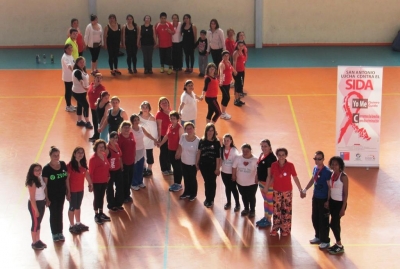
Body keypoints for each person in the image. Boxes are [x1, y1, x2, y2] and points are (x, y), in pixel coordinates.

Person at [267, 148, 304, 237]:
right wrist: (267, 187)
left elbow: (295, 177)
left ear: (286, 155)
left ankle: (285, 229)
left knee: (286, 210)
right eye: (279, 155)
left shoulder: (290, 165)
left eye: (283, 155)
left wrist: (300, 189)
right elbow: (272, 177)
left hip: (287, 192)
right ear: (277, 156)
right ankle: (275, 228)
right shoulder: (274, 165)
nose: (281, 157)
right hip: (276, 191)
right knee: (276, 210)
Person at [302, 151, 332, 249]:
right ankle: (318, 236)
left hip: (323, 199)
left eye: (320, 159)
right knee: (315, 217)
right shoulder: (315, 168)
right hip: (316, 197)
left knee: (323, 220)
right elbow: (313, 180)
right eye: (316, 159)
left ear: (323, 159)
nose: (317, 161)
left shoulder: (327, 172)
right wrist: (305, 189)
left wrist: (328, 201)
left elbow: (330, 187)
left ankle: (325, 240)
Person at [42, 146, 68, 242]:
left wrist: (68, 191)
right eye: (54, 155)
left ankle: (60, 232)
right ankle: (54, 233)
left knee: (60, 212)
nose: (56, 157)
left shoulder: (63, 164)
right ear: (50, 156)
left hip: (61, 194)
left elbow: (66, 179)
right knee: (53, 213)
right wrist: (47, 198)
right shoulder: (46, 169)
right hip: (52, 195)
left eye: (58, 155)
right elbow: (45, 185)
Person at [325, 156, 349, 255]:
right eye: (333, 164)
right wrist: (327, 201)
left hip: (339, 203)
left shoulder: (343, 177)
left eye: (336, 164)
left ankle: (339, 245)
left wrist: (343, 208)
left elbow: (346, 193)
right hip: (332, 202)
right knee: (334, 223)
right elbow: (330, 189)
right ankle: (338, 244)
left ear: (340, 166)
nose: (334, 166)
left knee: (334, 224)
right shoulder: (332, 175)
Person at [66, 147, 92, 234]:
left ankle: (78, 223)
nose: (80, 154)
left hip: (80, 190)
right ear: (74, 154)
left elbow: (86, 174)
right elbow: (67, 179)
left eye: (82, 153)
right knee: (72, 207)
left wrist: (90, 183)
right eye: (78, 152)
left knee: (78, 206)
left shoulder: (83, 164)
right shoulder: (70, 165)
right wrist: (68, 191)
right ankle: (72, 225)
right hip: (72, 190)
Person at [158, 111, 184, 192]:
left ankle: (178, 184)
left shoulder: (180, 128)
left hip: (176, 151)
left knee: (177, 168)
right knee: (174, 167)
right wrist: (161, 143)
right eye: (171, 118)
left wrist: (178, 152)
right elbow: (166, 136)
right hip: (170, 150)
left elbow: (181, 141)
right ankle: (176, 183)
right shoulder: (170, 126)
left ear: (178, 119)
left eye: (174, 119)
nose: (172, 120)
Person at [196, 123, 221, 208]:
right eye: (209, 130)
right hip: (203, 165)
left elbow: (218, 157)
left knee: (212, 182)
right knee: (207, 182)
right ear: (206, 131)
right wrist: (197, 163)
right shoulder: (202, 141)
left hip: (213, 166)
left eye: (212, 130)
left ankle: (211, 199)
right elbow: (199, 152)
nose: (210, 132)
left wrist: (217, 168)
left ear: (214, 132)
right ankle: (207, 198)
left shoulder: (217, 143)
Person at [130, 114, 157, 190]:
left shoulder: (141, 128)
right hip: (134, 151)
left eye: (137, 120)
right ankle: (134, 183)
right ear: (132, 121)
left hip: (142, 150)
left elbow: (148, 134)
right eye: (135, 120)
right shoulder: (130, 129)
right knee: (134, 168)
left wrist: (154, 139)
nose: (136, 121)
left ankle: (140, 182)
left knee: (141, 167)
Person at [255, 139, 277, 228]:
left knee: (270, 202)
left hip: (268, 184)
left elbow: (270, 175)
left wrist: (267, 187)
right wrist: (256, 177)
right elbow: (258, 167)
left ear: (270, 147)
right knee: (266, 201)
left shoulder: (271, 158)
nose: (263, 148)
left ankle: (268, 220)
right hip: (262, 182)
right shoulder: (262, 155)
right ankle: (265, 217)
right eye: (262, 146)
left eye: (265, 146)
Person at [232, 144, 258, 218]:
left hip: (252, 183)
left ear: (250, 151)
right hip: (240, 182)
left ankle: (252, 210)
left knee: (251, 196)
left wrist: (257, 178)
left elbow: (258, 170)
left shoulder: (255, 159)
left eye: (247, 151)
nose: (245, 152)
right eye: (243, 151)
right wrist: (233, 175)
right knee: (243, 195)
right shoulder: (238, 158)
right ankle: (246, 208)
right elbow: (234, 167)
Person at [89, 139, 111, 225]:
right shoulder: (93, 159)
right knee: (97, 197)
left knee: (101, 197)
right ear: (96, 148)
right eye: (99, 147)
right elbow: (90, 172)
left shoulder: (104, 155)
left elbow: (107, 166)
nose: (102, 148)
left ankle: (101, 213)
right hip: (96, 182)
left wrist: (108, 175)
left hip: (104, 180)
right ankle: (96, 214)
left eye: (103, 147)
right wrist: (90, 184)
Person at [176, 122, 200, 201]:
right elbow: (180, 146)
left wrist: (197, 163)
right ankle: (187, 192)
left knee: (192, 179)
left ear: (194, 129)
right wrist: (178, 154)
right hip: (183, 162)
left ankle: (193, 194)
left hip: (192, 164)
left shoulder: (198, 140)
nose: (189, 130)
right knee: (186, 178)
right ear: (185, 129)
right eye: (187, 128)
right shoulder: (183, 136)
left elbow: (198, 153)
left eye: (191, 128)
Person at [26, 163, 47, 250]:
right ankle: (34, 242)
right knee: (35, 224)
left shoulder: (40, 178)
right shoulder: (32, 182)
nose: (38, 172)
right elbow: (32, 198)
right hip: (35, 204)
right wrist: (36, 210)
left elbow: (43, 189)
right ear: (32, 171)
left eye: (39, 170)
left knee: (38, 223)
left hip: (42, 202)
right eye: (36, 170)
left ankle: (38, 240)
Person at [220, 134, 240, 211]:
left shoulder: (234, 151)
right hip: (224, 172)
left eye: (228, 140)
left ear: (231, 141)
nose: (226, 142)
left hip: (232, 173)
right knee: (227, 188)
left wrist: (234, 175)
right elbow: (221, 160)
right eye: (224, 140)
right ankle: (228, 202)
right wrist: (218, 169)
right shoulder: (221, 149)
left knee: (233, 188)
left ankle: (237, 204)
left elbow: (236, 163)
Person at [72, 57, 93, 129]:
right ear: (77, 63)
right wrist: (85, 87)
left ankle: (79, 121)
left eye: (83, 62)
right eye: (80, 62)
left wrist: (89, 85)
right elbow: (80, 80)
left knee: (80, 105)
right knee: (86, 106)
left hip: (82, 92)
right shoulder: (77, 72)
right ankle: (87, 122)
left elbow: (85, 79)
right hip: (78, 92)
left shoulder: (82, 70)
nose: (82, 64)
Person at [117, 121, 136, 203]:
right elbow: (118, 152)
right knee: (124, 180)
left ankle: (127, 194)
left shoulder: (131, 135)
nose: (127, 129)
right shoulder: (119, 138)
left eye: (128, 127)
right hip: (124, 163)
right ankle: (124, 196)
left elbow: (134, 146)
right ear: (121, 128)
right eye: (125, 127)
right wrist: (120, 163)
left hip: (131, 161)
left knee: (130, 179)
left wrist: (134, 156)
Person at [105, 132, 124, 212]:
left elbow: (119, 157)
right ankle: (111, 205)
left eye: (116, 138)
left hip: (118, 169)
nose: (115, 139)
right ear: (110, 138)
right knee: (110, 188)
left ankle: (118, 203)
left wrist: (121, 165)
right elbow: (104, 160)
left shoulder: (117, 145)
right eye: (113, 137)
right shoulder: (107, 148)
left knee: (119, 186)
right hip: (110, 171)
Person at [139, 101, 158, 177]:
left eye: (146, 107)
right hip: (140, 140)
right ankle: (143, 168)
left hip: (149, 140)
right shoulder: (138, 117)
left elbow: (154, 131)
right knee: (141, 155)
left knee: (149, 155)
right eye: (143, 107)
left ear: (149, 108)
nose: (144, 109)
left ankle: (149, 169)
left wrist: (154, 140)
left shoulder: (152, 118)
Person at [156, 97, 172, 175]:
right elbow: (159, 126)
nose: (165, 104)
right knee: (163, 152)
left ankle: (169, 168)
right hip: (163, 135)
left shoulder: (171, 111)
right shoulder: (159, 114)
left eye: (166, 102)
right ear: (160, 105)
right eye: (162, 103)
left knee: (169, 152)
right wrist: (159, 137)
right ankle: (164, 169)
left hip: (171, 136)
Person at [87, 73, 106, 142]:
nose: (99, 79)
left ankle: (98, 137)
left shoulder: (102, 88)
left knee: (98, 122)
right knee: (94, 122)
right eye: (97, 77)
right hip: (92, 107)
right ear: (94, 78)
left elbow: (104, 98)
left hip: (98, 109)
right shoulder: (91, 85)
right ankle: (95, 135)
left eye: (100, 78)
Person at [219, 50, 236, 119]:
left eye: (227, 56)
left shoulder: (228, 62)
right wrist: (221, 81)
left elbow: (231, 68)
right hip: (223, 84)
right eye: (225, 56)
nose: (226, 57)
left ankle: (223, 112)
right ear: (222, 57)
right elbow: (221, 72)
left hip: (228, 83)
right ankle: (223, 113)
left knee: (225, 97)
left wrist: (235, 71)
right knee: (227, 97)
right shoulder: (222, 64)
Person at [61, 44, 76, 112]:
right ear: (65, 50)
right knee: (68, 91)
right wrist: (74, 72)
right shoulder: (65, 57)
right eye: (69, 48)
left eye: (71, 48)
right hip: (67, 77)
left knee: (70, 91)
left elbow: (73, 64)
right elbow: (69, 66)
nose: (71, 50)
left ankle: (70, 105)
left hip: (71, 77)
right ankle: (68, 106)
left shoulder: (70, 56)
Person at [232, 41, 247, 106]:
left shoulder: (242, 52)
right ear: (237, 46)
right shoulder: (236, 52)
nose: (241, 47)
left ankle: (238, 99)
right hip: (237, 71)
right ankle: (236, 100)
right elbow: (234, 62)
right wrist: (234, 71)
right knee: (237, 85)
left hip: (241, 71)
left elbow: (243, 61)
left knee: (240, 84)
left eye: (242, 46)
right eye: (239, 46)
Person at [235, 32, 248, 97]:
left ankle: (241, 91)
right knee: (239, 80)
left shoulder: (244, 44)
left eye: (243, 35)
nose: (242, 36)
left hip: (242, 64)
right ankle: (238, 93)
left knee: (242, 79)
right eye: (240, 35)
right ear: (238, 37)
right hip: (238, 66)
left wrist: (244, 61)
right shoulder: (237, 45)